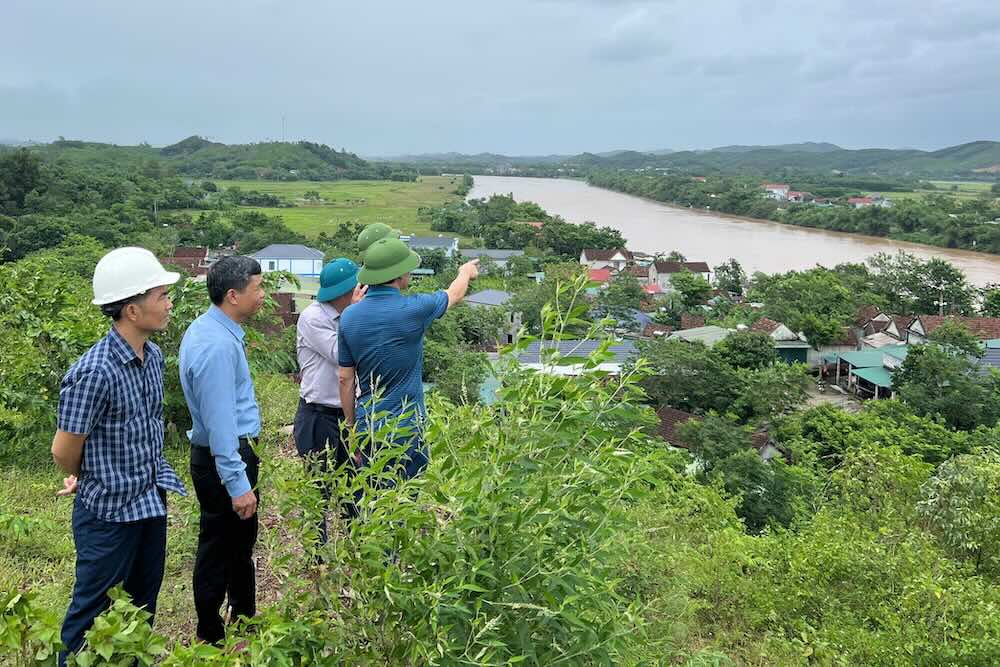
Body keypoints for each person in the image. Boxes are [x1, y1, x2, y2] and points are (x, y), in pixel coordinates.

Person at [52, 247, 185, 665]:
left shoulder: (153, 357)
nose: (169, 304)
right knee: (91, 611)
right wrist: (87, 475)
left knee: (142, 606)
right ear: (131, 309)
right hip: (108, 512)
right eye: (161, 296)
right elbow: (64, 448)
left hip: (149, 500)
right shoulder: (95, 371)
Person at [337, 237, 479, 482]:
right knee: (406, 500)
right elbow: (454, 294)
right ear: (399, 274)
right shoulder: (414, 308)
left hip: (369, 425)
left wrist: (352, 429)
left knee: (373, 499)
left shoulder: (348, 317)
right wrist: (465, 272)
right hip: (408, 425)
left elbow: (344, 379)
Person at [178, 255, 265, 644]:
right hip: (225, 458)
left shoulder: (210, 330)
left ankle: (242, 615)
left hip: (223, 455)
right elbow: (220, 424)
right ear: (233, 295)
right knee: (219, 544)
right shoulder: (216, 346)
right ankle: (212, 632)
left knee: (235, 542)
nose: (263, 294)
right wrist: (237, 481)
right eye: (258, 288)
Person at [293, 258, 366, 545]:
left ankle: (357, 553)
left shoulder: (346, 313)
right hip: (318, 416)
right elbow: (342, 354)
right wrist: (357, 314)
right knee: (318, 492)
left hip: (347, 414)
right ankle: (318, 561)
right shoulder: (313, 318)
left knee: (353, 490)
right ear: (346, 292)